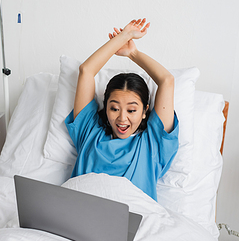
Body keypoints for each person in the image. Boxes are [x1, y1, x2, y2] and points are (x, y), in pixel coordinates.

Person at [65, 18, 179, 201]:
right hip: (77, 215)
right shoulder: (89, 134)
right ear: (106, 106)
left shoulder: (152, 145)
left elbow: (167, 80)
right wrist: (123, 36)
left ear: (144, 112)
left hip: (131, 221)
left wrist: (133, 53)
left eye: (132, 110)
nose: (122, 119)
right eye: (114, 108)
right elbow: (86, 70)